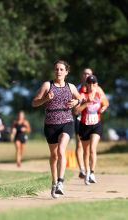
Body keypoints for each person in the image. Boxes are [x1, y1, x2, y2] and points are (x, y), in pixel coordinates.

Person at [32, 60, 81, 198]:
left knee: (61, 150)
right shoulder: (48, 85)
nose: (58, 71)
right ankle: (54, 183)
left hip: (67, 122)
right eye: (56, 69)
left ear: (66, 72)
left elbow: (80, 98)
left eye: (61, 69)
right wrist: (45, 99)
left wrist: (77, 101)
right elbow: (34, 102)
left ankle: (60, 182)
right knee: (54, 156)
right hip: (50, 125)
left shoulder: (71, 87)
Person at [74, 68, 109, 180]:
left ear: (96, 83)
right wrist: (86, 103)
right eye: (89, 82)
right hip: (82, 122)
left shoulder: (99, 91)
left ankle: (92, 173)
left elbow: (105, 102)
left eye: (93, 82)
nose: (91, 85)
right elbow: (76, 110)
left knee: (93, 148)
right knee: (83, 147)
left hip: (96, 124)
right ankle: (83, 170)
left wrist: (103, 107)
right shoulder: (80, 91)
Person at [75, 68, 93, 179]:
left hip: (92, 120)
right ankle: (82, 169)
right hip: (79, 119)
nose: (87, 75)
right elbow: (74, 107)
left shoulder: (96, 88)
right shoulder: (77, 88)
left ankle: (89, 169)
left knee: (91, 147)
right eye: (85, 73)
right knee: (79, 144)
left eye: (89, 74)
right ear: (82, 75)